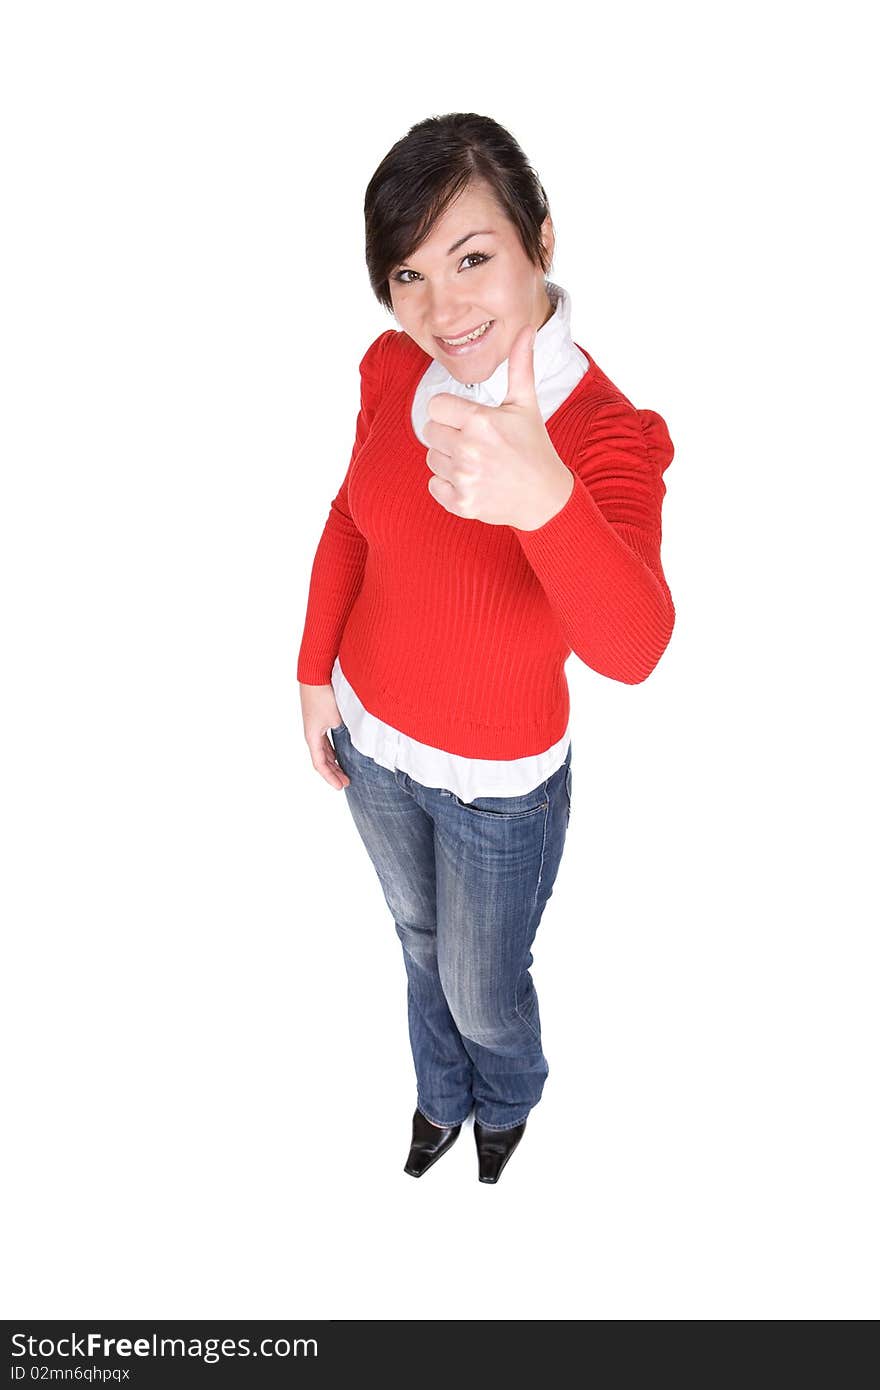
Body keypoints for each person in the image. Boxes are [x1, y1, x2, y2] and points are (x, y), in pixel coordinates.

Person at [296, 112, 675, 1184]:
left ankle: (506, 1094)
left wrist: (543, 498)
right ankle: (439, 1096)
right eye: (408, 275)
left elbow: (634, 646)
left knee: (480, 984)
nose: (441, 309)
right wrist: (310, 670)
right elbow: (349, 520)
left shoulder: (601, 431)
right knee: (416, 944)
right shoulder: (387, 369)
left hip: (496, 794)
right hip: (371, 750)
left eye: (472, 258)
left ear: (540, 240)